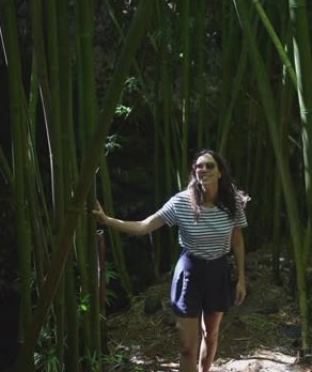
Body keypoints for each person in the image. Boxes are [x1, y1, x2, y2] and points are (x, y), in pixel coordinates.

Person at [91, 149, 250, 372]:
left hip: (218, 270)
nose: (203, 169)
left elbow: (238, 242)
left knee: (211, 334)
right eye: (198, 166)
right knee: (187, 347)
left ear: (221, 172)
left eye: (209, 165)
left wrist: (241, 279)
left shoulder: (232, 202)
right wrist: (107, 221)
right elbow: (145, 226)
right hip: (190, 271)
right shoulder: (182, 202)